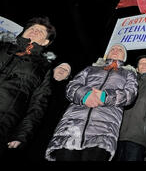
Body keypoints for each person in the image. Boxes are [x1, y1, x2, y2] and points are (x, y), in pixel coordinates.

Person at [45, 43, 138, 161]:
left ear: (124, 57)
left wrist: (105, 97)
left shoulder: (129, 73)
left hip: (104, 129)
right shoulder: (90, 68)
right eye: (112, 49)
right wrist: (85, 95)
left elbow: (130, 94)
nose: (115, 50)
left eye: (120, 50)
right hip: (72, 126)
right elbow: (71, 86)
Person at [0, 16, 56, 159]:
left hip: (4, 118)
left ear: (45, 42)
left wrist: (22, 134)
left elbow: (38, 104)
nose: (35, 31)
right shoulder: (2, 47)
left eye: (40, 32)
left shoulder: (44, 67)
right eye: (32, 28)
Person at [23, 62, 72, 160]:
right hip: (26, 127)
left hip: (45, 136)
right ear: (53, 70)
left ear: (67, 77)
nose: (62, 70)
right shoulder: (39, 83)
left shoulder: (67, 96)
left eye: (66, 70)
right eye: (61, 67)